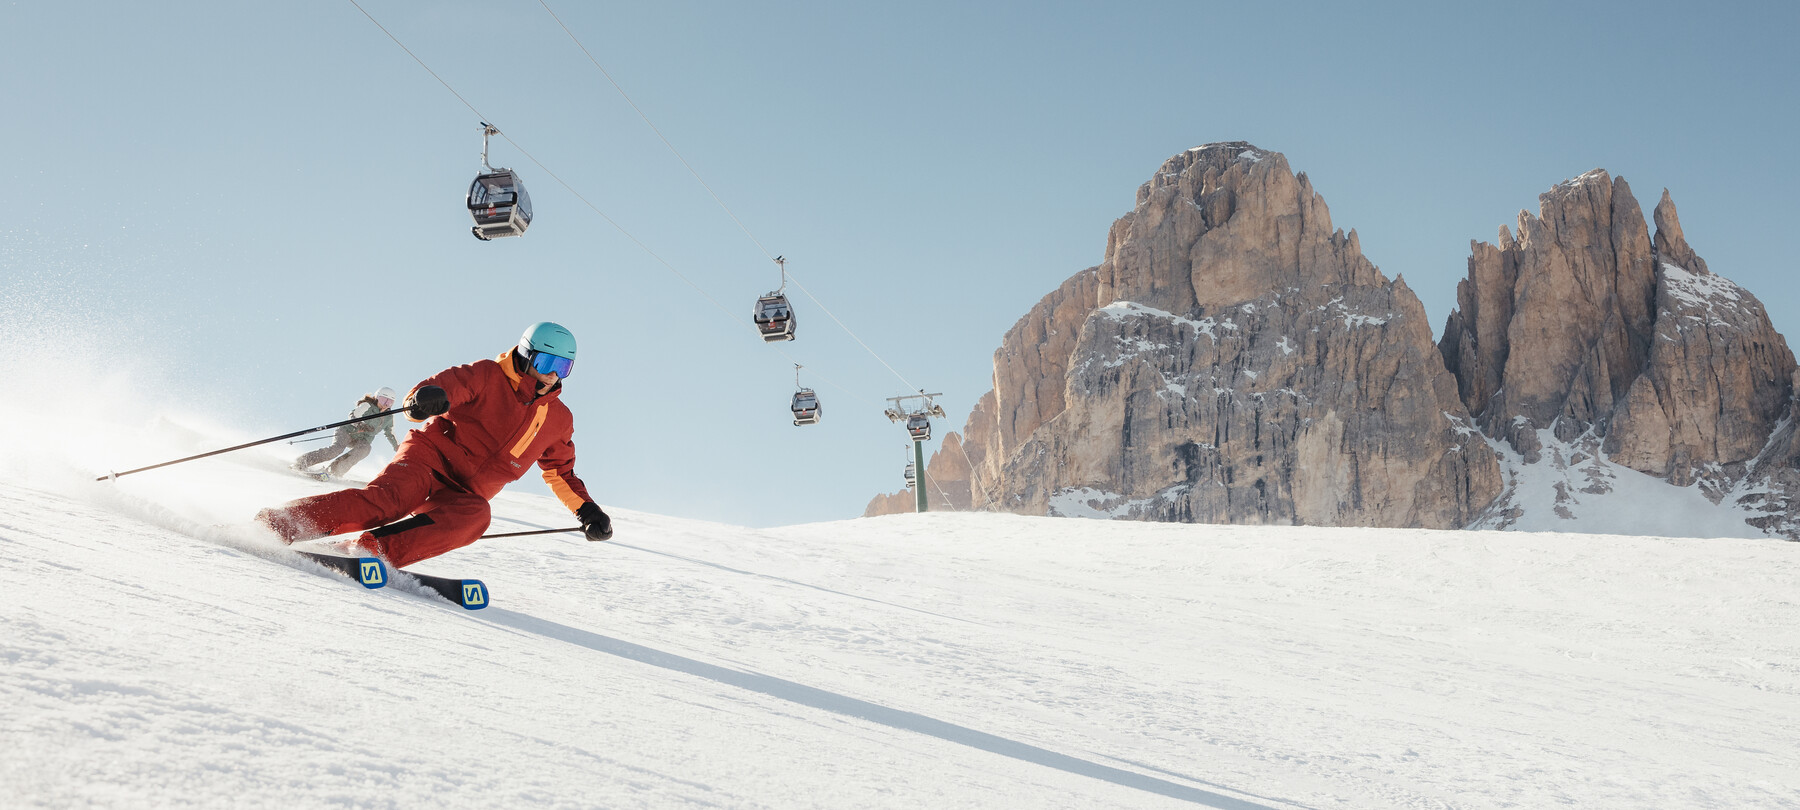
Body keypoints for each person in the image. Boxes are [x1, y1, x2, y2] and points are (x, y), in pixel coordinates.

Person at [257, 322, 612, 568]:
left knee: (474, 518)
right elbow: (442, 387)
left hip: (467, 492)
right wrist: (429, 398)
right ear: (526, 354)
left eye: (563, 367)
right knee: (388, 502)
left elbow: (559, 471)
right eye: (547, 362)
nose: (553, 374)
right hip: (430, 459)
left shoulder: (558, 419)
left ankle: (367, 551)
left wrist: (588, 511)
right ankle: (280, 523)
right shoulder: (487, 375)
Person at [292, 387, 401, 480]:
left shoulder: (388, 417)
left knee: (365, 449)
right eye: (383, 400)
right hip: (347, 431)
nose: (386, 404)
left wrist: (397, 446)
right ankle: (302, 462)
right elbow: (353, 414)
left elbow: (390, 433)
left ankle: (334, 471)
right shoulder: (367, 406)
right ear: (377, 397)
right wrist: (359, 424)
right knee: (336, 450)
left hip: (362, 439)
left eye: (390, 402)